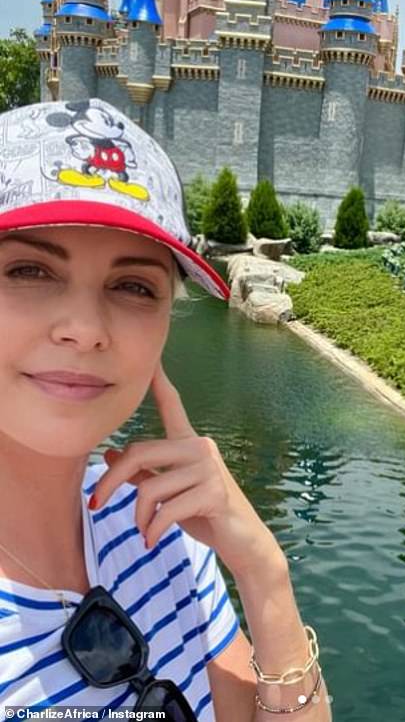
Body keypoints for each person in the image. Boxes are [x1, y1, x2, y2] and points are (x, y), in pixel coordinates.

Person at [0, 99, 331, 721]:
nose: (85, 329)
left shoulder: (156, 524)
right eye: (28, 270)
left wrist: (263, 572)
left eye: (133, 286)